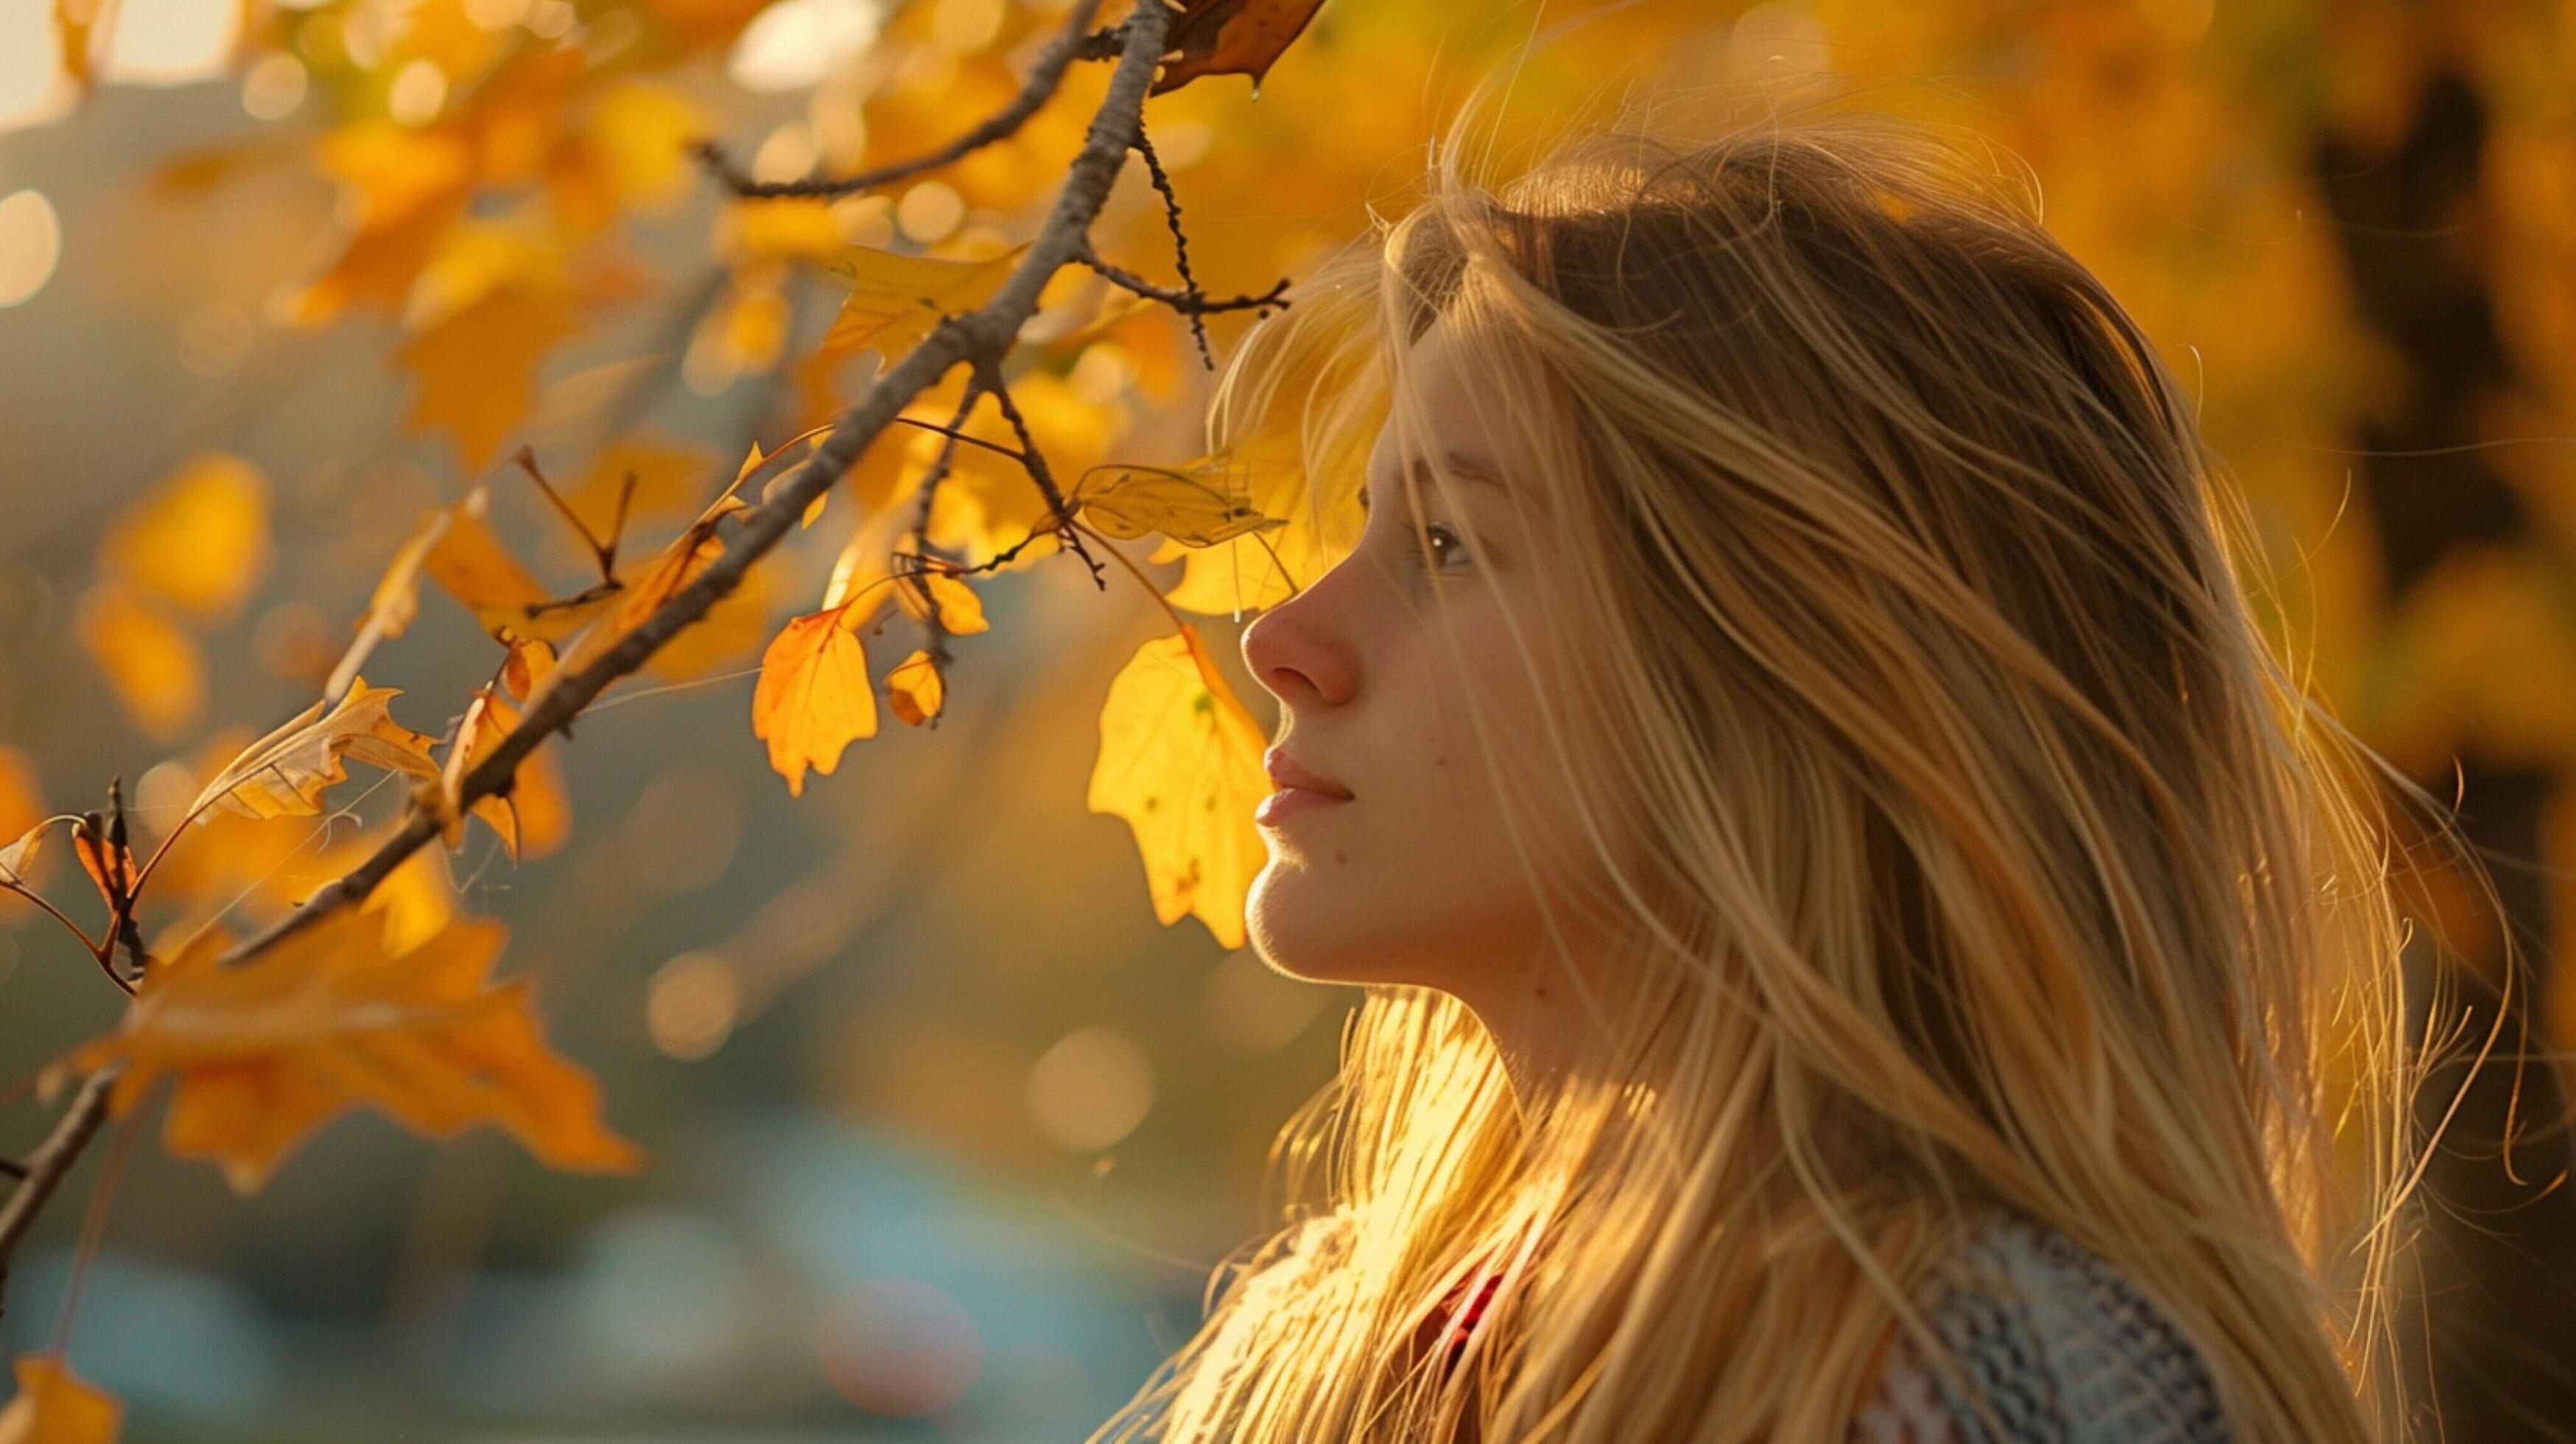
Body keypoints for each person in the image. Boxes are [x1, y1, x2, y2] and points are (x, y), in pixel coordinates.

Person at [1087, 88, 2505, 1444]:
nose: (1282, 641)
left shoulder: (1986, 1382)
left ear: (1784, 667)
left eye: (1450, 544)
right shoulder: (1329, 1360)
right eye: (1373, 530)